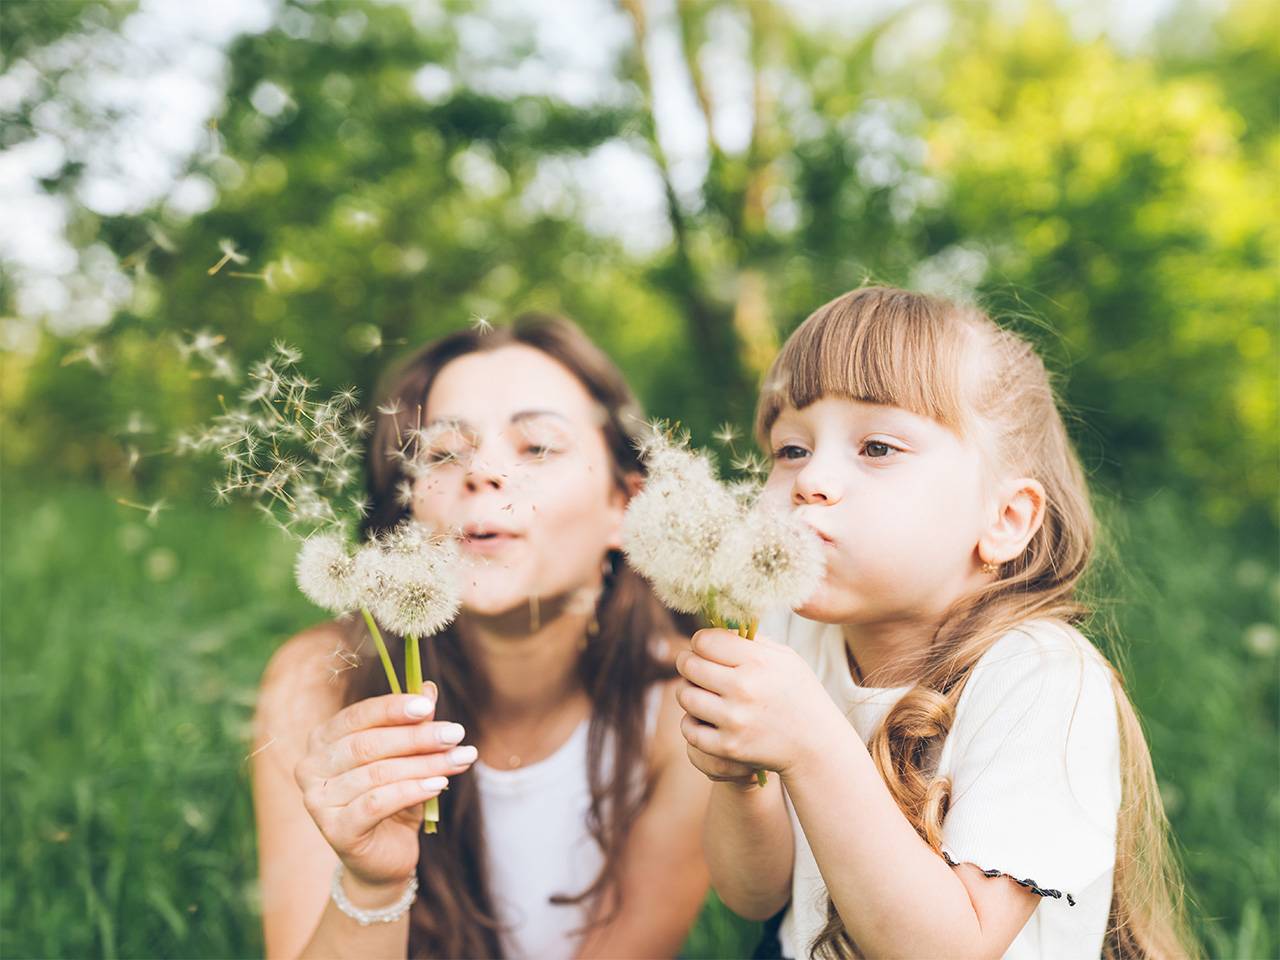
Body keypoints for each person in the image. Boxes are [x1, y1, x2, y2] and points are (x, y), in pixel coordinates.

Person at [674, 286, 1198, 959]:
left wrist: (810, 742)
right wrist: (737, 780)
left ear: (1004, 519)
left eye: (878, 447)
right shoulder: (785, 633)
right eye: (791, 450)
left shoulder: (1041, 678)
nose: (811, 481)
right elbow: (757, 896)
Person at [252, 314, 711, 959]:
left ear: (625, 508)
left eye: (538, 447)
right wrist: (372, 885)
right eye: (443, 453)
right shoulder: (320, 684)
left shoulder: (690, 705)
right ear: (409, 508)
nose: (484, 472)